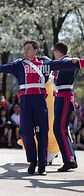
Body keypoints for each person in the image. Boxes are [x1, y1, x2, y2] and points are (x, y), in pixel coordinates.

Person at [0, 40, 84, 175]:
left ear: (35, 50)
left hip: (39, 101)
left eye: (28, 48)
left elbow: (63, 63)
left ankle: (42, 165)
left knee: (42, 132)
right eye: (24, 48)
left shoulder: (46, 63)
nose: (25, 51)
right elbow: (1, 67)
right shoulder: (19, 64)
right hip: (25, 102)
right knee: (26, 132)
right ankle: (32, 160)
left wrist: (76, 61)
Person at [52, 42, 80, 172]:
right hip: (60, 96)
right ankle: (70, 158)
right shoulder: (62, 63)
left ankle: (69, 159)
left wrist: (76, 61)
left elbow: (77, 64)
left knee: (60, 128)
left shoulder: (68, 61)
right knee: (60, 128)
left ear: (57, 51)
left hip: (64, 97)